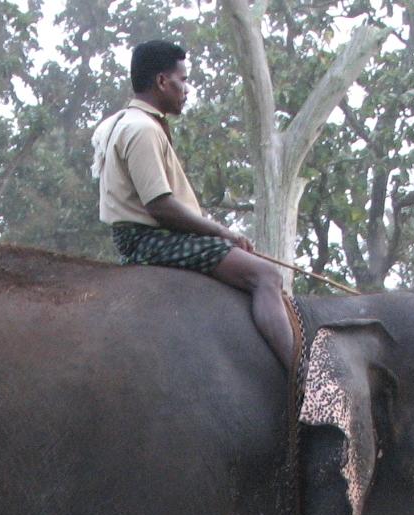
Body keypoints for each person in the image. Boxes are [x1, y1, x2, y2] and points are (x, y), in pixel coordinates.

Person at [93, 40, 296, 369]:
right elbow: (160, 206)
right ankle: (301, 377)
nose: (186, 89)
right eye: (183, 80)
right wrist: (222, 232)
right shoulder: (142, 129)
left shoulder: (122, 122)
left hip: (140, 237)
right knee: (265, 275)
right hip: (150, 241)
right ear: (162, 81)